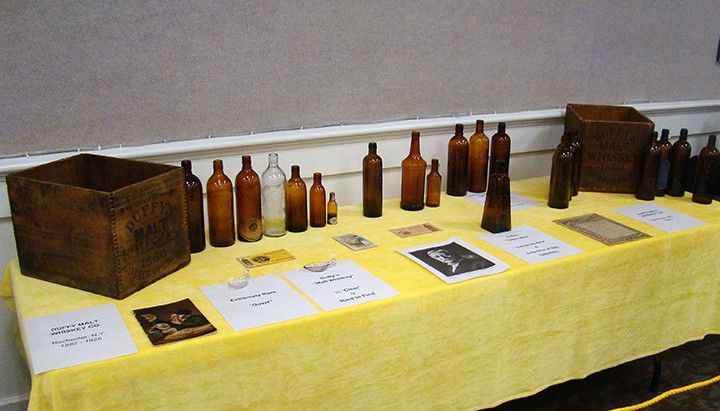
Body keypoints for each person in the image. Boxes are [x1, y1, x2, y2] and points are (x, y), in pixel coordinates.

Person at [425, 243, 494, 276]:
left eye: (445, 253)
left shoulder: (477, 263)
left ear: (452, 251)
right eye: (437, 257)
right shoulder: (449, 270)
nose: (443, 258)